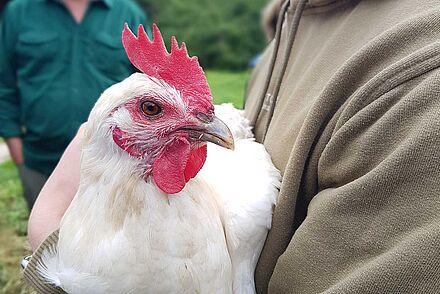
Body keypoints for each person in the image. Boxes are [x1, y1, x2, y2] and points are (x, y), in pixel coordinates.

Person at [27, 0, 440, 293]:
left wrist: (47, 234)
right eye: (152, 109)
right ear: (113, 132)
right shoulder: (293, 15)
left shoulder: (418, 75)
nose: (209, 124)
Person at [0, 0, 147, 209]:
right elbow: (3, 82)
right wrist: (16, 147)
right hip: (40, 161)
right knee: (45, 236)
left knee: (105, 239)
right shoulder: (19, 12)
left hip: (110, 167)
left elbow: (145, 87)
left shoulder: (128, 13)